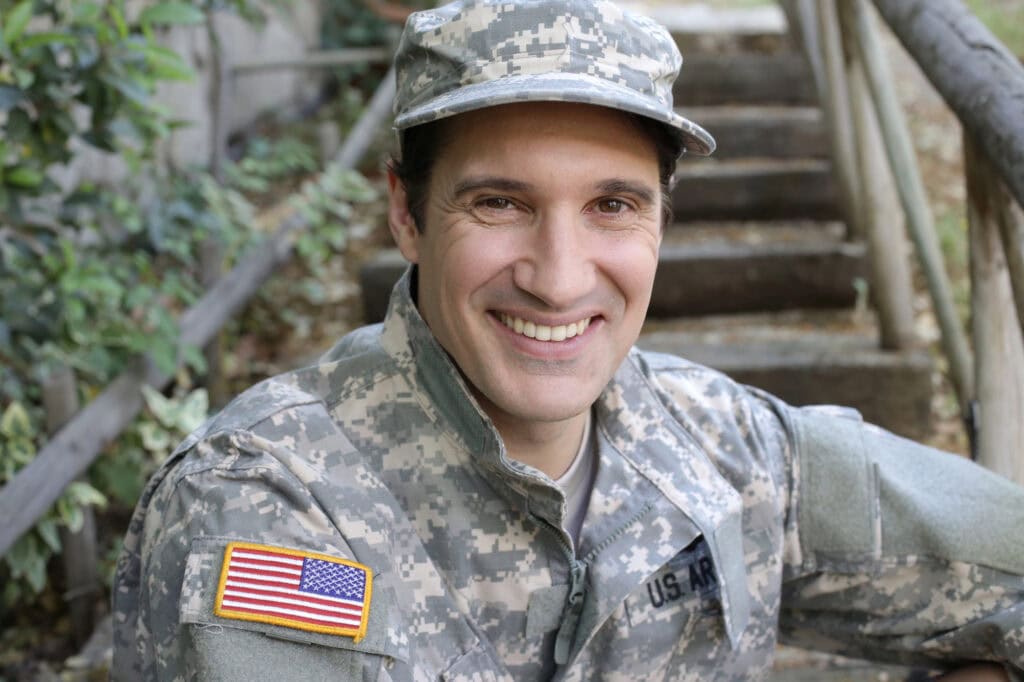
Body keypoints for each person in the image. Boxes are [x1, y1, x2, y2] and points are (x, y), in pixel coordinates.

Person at [111, 0, 1024, 679]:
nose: (558, 275)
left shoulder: (727, 446)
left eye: (613, 206)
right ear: (406, 211)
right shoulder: (267, 514)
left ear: (663, 219)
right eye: (499, 203)